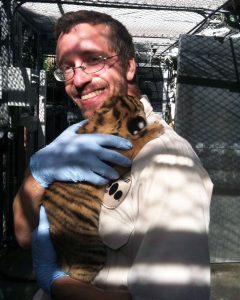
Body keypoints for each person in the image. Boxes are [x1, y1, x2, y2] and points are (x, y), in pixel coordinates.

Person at [13, 10, 213, 300]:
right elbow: (23, 236)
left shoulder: (167, 160)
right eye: (67, 67)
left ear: (129, 67)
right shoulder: (74, 138)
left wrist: (55, 283)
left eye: (93, 60)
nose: (77, 80)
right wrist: (37, 173)